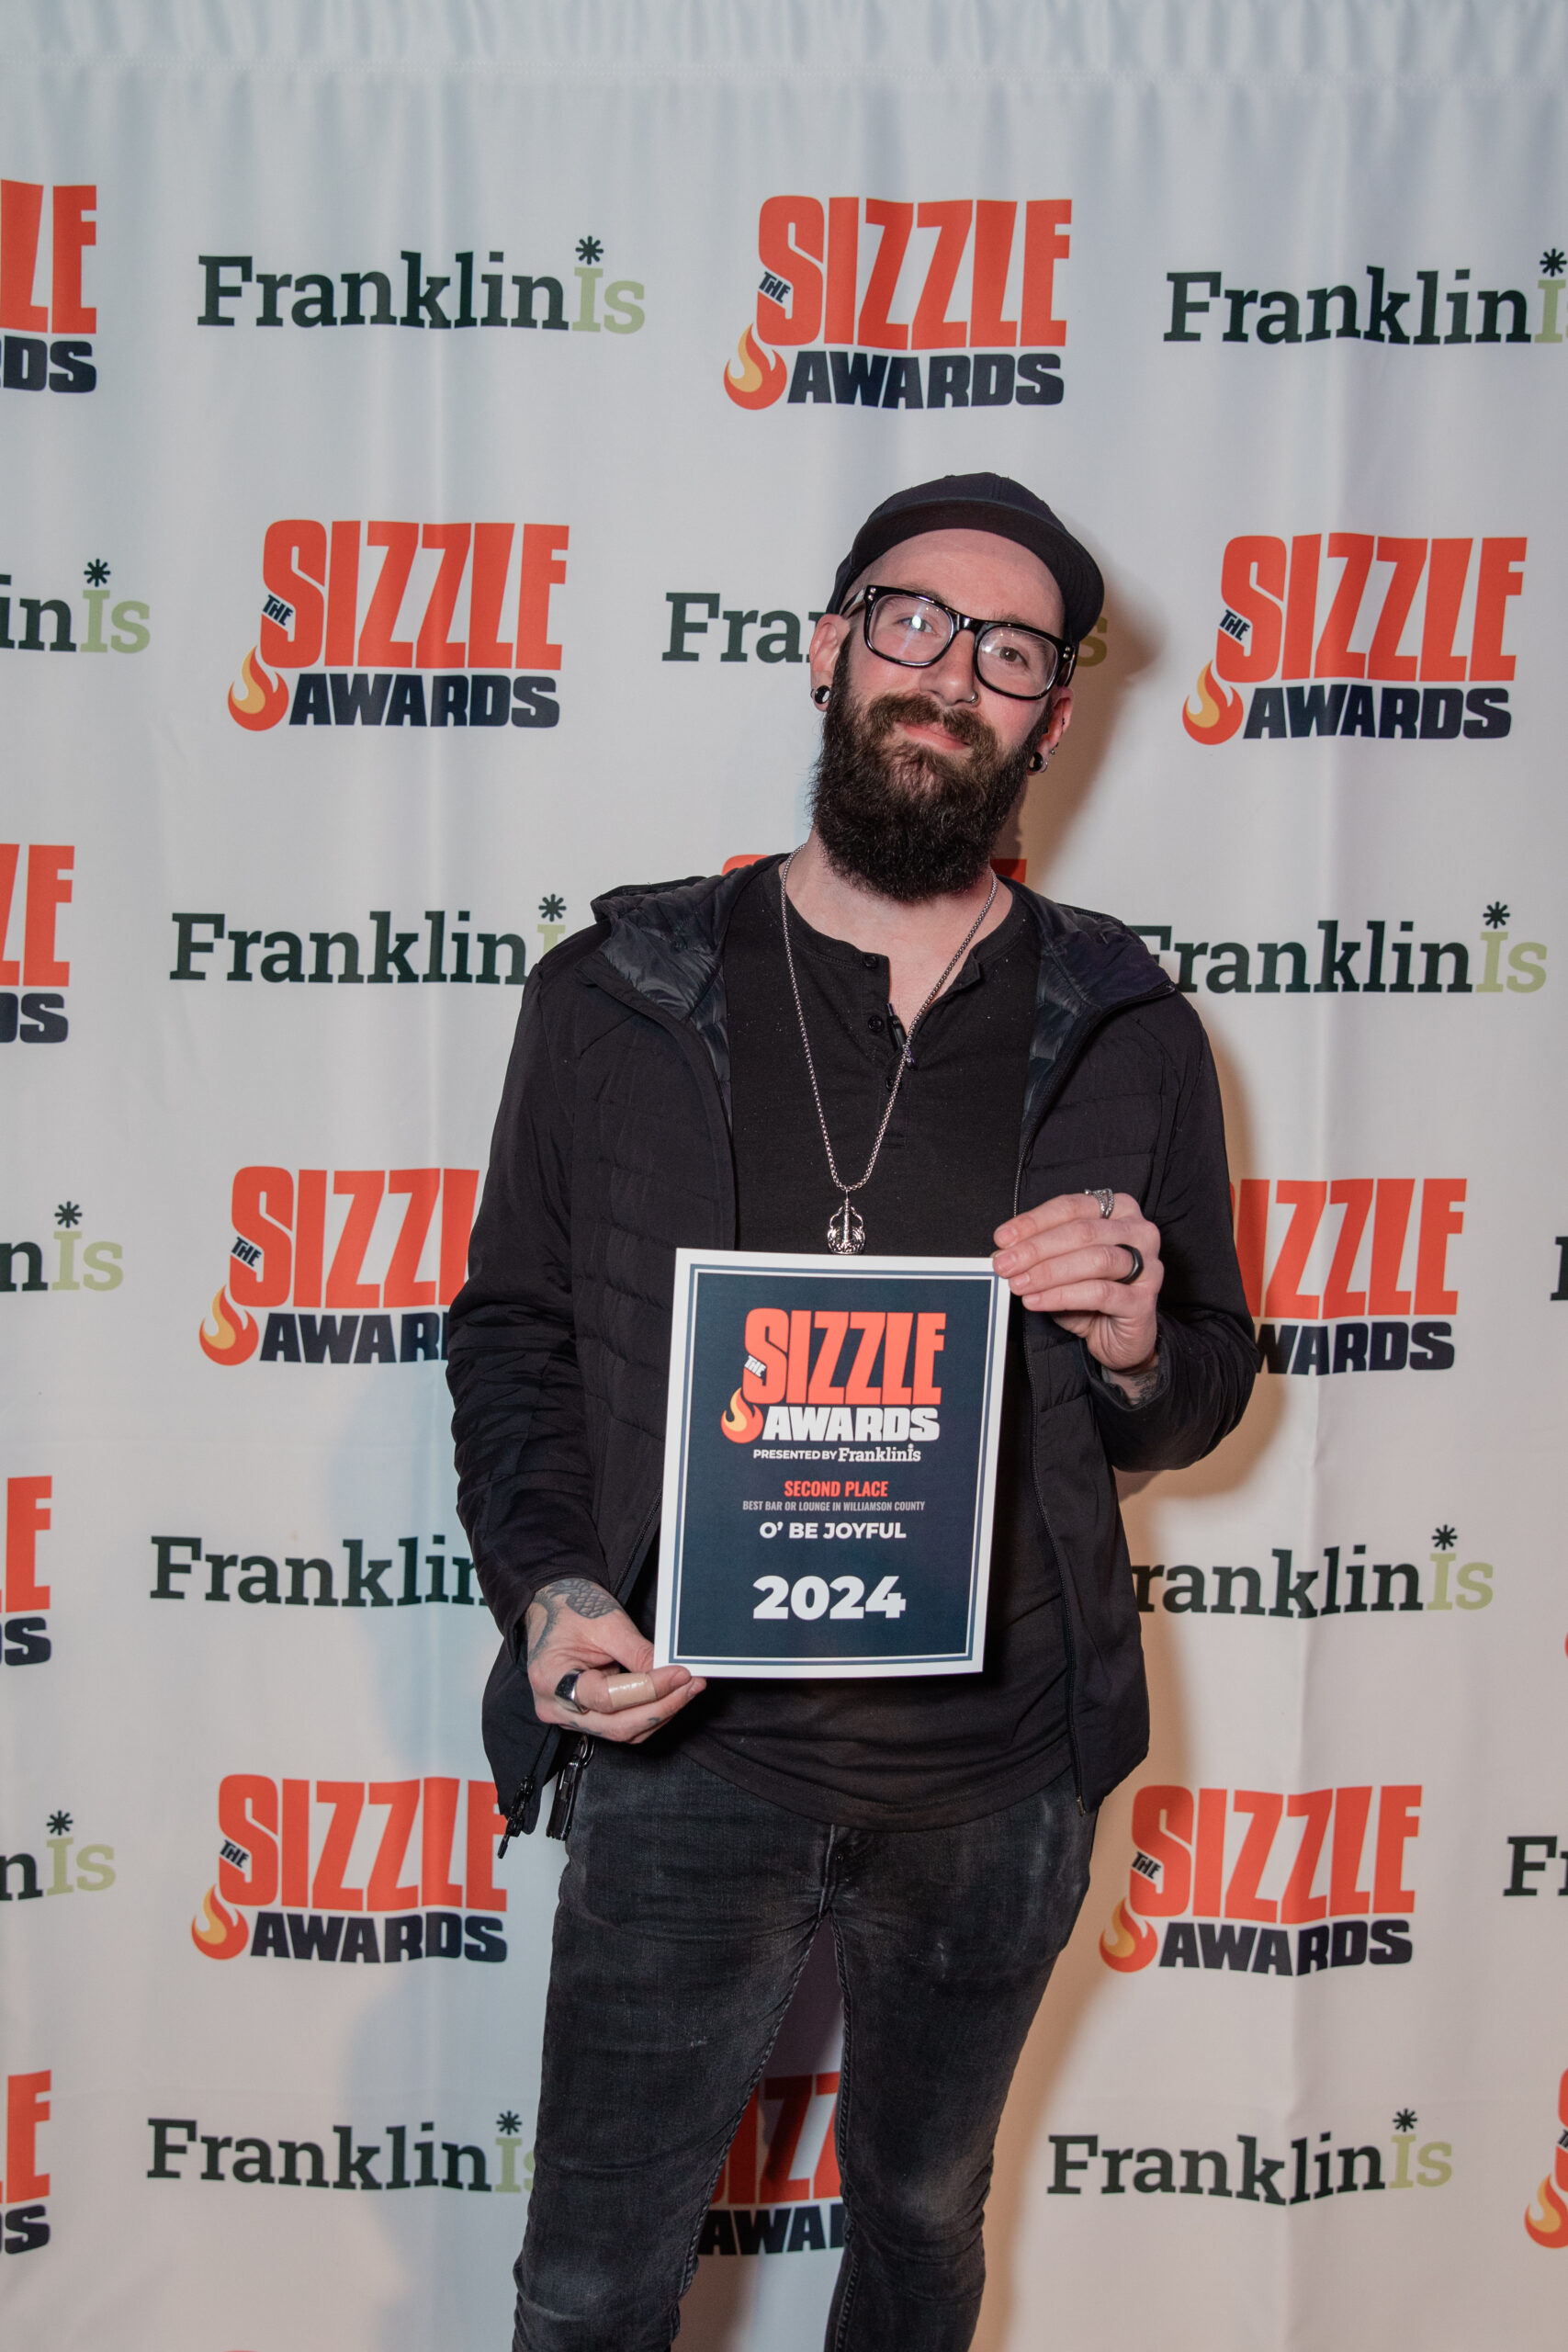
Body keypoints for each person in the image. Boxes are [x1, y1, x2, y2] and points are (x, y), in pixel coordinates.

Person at [448, 471, 1258, 2352]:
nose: (949, 674)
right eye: (910, 620)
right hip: (685, 1749)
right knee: (593, 2280)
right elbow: (512, 1331)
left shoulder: (1127, 1023)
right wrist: (550, 1585)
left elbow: (1195, 1389)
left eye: (1010, 652)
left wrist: (1140, 1336)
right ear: (828, 647)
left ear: (1052, 714)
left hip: (997, 1779)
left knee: (917, 2229)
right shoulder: (615, 994)